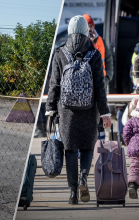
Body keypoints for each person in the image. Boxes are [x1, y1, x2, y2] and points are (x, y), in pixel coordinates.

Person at [45, 15, 112, 205]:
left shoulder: (60, 53)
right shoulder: (94, 54)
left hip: (66, 111)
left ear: (69, 31)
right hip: (90, 110)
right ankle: (84, 179)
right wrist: (105, 112)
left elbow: (54, 85)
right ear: (85, 31)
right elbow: (100, 87)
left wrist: (50, 108)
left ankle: (73, 192)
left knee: (70, 149)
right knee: (87, 147)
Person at [83, 14, 114, 92]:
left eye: (91, 26)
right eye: (87, 26)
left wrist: (107, 78)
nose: (89, 28)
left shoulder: (101, 41)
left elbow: (109, 59)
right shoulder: (79, 42)